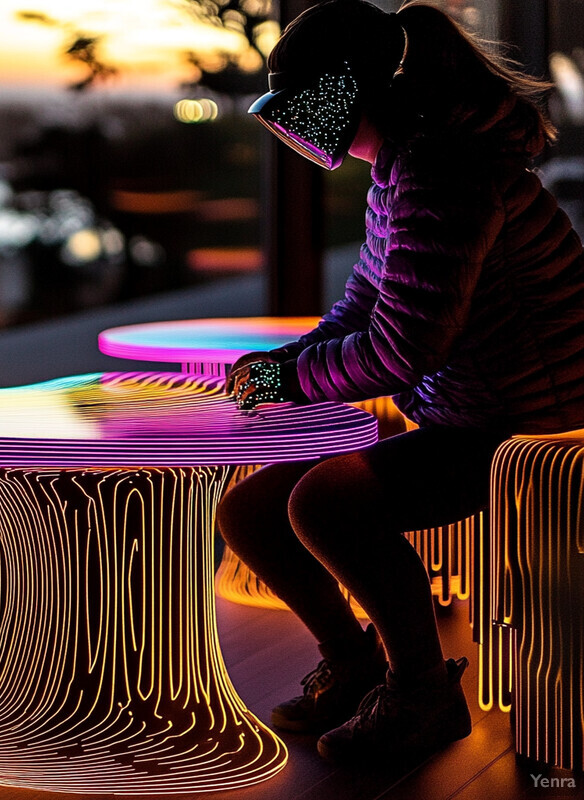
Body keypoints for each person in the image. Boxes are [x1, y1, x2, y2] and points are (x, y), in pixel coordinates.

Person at [217, 0, 584, 766]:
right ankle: (356, 666)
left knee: (327, 498)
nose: (295, 127)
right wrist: (277, 373)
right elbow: (364, 304)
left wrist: (289, 377)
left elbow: (402, 346)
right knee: (252, 507)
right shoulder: (406, 170)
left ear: (344, 96)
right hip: (475, 413)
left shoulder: (445, 170)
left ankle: (421, 692)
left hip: (536, 424)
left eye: (302, 107)